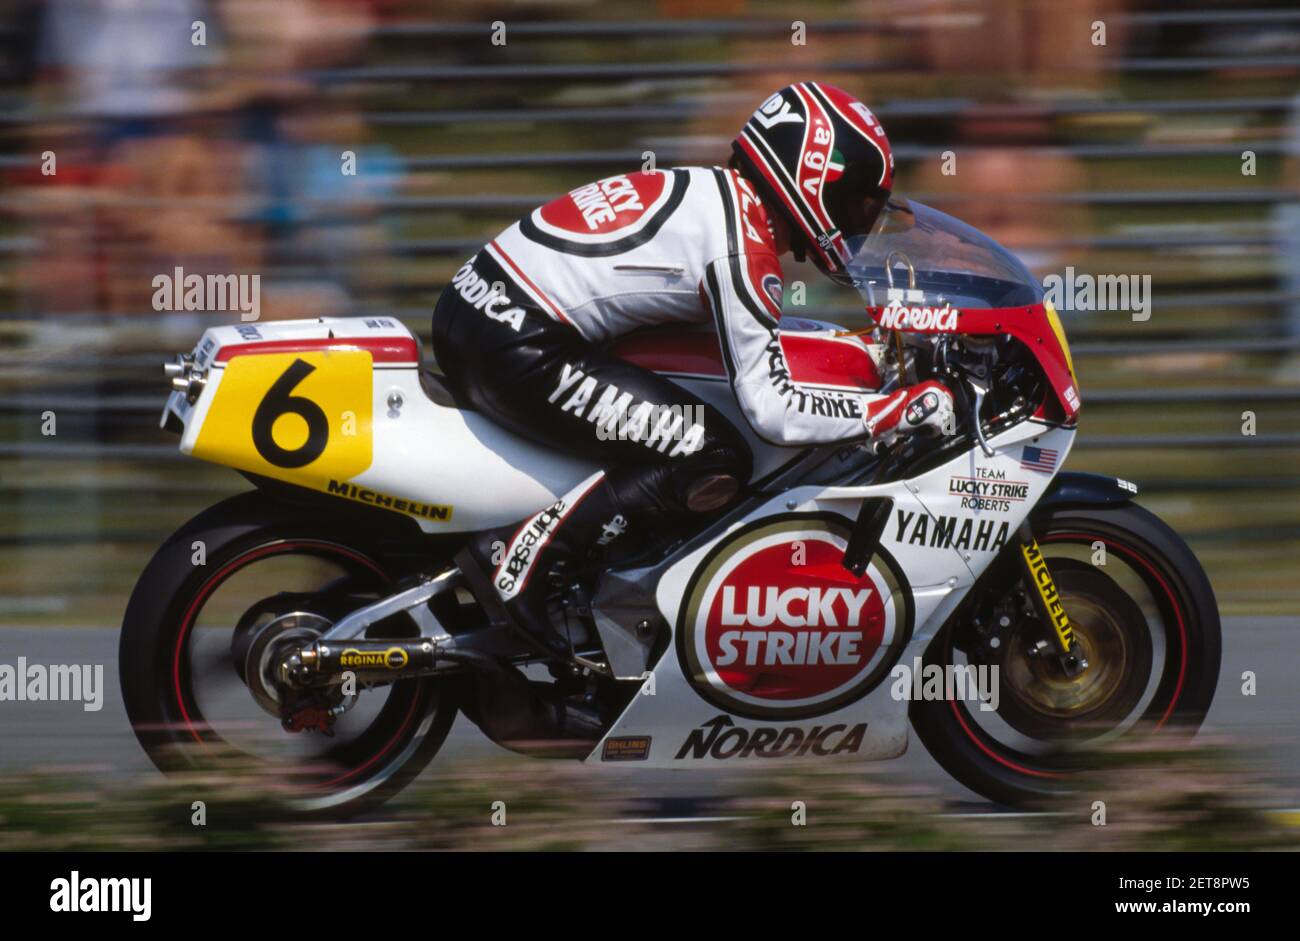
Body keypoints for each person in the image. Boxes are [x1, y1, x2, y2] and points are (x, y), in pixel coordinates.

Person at [431, 82, 954, 661]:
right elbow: (774, 410)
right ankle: (525, 564)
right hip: (516, 341)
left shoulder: (720, 198)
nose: (858, 222)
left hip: (485, 311)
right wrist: (898, 410)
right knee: (712, 452)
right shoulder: (745, 249)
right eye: (856, 201)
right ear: (813, 181)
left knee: (682, 419)